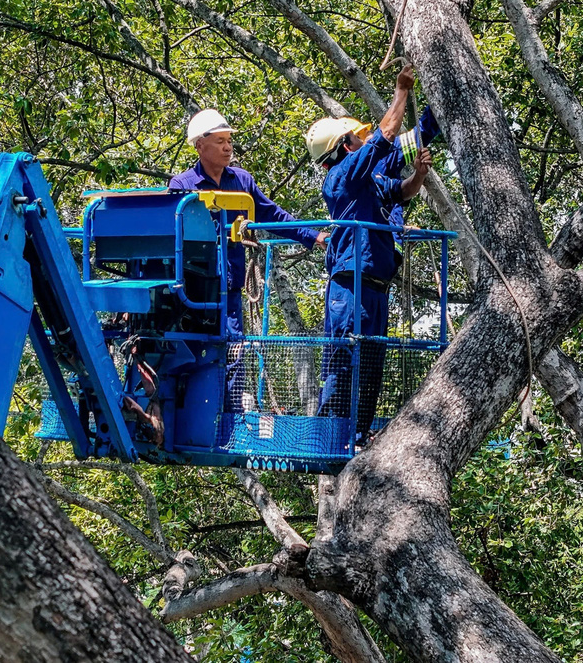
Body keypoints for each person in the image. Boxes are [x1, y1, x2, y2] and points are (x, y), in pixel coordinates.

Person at [303, 65, 438, 445]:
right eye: (358, 137)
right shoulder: (342, 176)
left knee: (371, 366)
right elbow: (388, 133)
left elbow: (402, 190)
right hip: (352, 285)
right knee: (345, 361)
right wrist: (401, 92)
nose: (365, 140)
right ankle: (330, 436)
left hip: (377, 284)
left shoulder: (371, 177)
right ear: (345, 147)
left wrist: (420, 175)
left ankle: (357, 435)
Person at [170, 109, 327, 411]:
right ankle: (191, 413)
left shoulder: (241, 181)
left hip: (229, 286)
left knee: (234, 348)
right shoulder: (183, 185)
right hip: (193, 288)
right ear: (200, 146)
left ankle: (232, 416)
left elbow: (273, 215)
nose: (228, 147)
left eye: (229, 141)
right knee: (193, 348)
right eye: (220, 142)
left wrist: (313, 236)